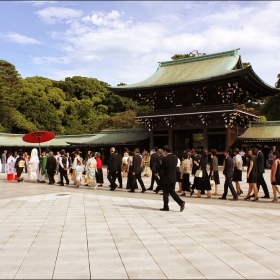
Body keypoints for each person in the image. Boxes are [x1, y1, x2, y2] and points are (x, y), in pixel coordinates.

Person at [160, 145, 185, 212]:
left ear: (165, 151)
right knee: (172, 191)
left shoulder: (165, 159)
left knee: (165, 193)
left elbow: (163, 168)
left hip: (166, 177)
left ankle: (166, 206)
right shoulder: (175, 158)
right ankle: (181, 202)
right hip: (173, 177)